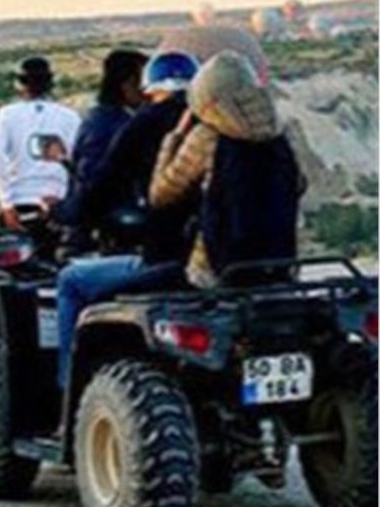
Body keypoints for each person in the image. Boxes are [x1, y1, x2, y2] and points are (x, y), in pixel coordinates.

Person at [53, 50, 199, 389]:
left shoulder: (144, 124)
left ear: (149, 87)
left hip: (170, 260)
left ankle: (69, 392)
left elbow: (100, 188)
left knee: (71, 282)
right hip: (248, 263)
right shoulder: (227, 127)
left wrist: (64, 215)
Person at [150, 50, 299, 288]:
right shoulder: (280, 135)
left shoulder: (207, 137)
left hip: (215, 269)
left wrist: (175, 138)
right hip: (279, 265)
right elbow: (298, 185)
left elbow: (161, 195)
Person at [52, 48, 147, 252]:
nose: (148, 90)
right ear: (127, 83)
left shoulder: (115, 119)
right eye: (143, 81)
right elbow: (92, 181)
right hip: (115, 228)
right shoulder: (108, 125)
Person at [0, 57, 81, 235]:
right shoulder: (70, 117)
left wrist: (6, 204)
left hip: (20, 201)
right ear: (50, 84)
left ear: (20, 84)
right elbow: (77, 163)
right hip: (57, 201)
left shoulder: (7, 115)